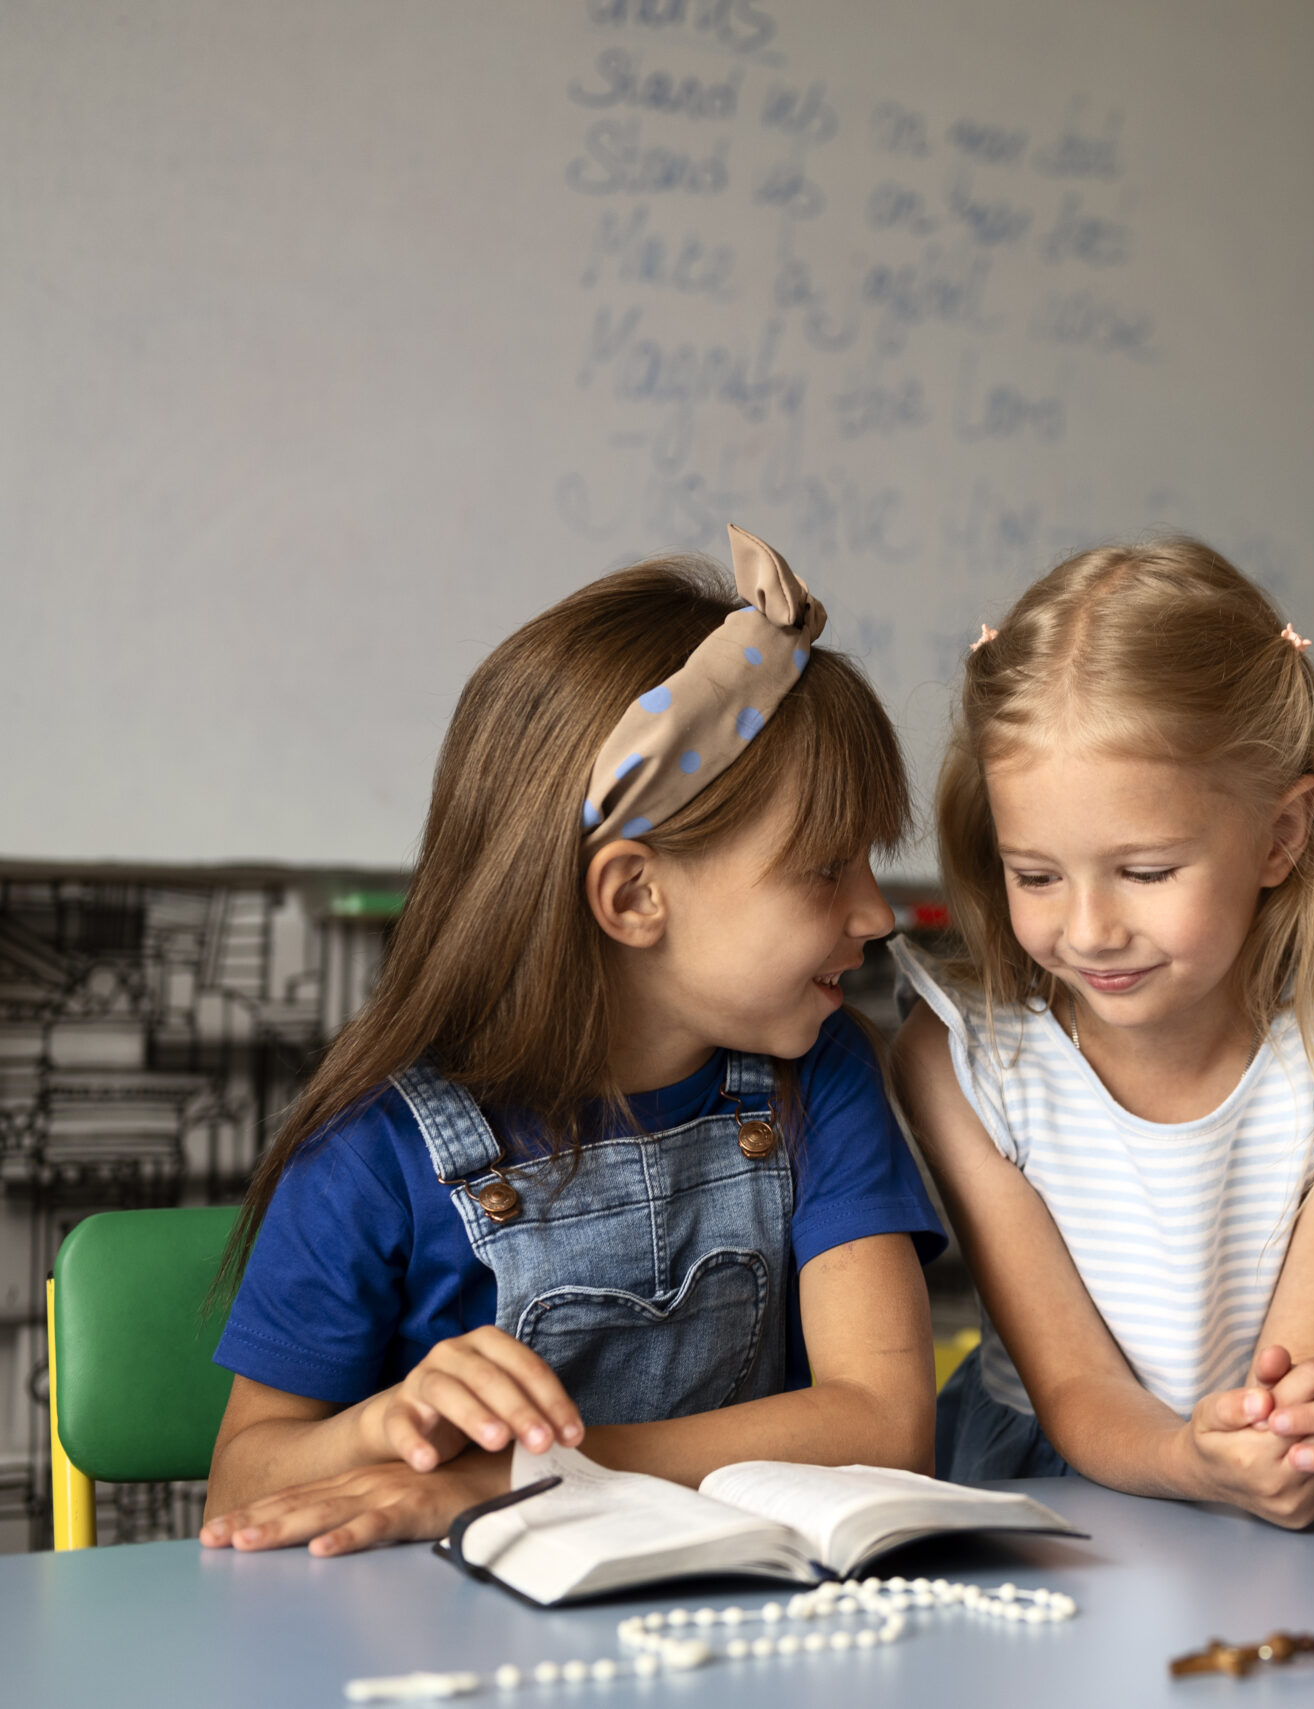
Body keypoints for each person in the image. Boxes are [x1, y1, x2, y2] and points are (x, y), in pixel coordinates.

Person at [199, 527, 946, 1557]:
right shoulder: (369, 1151)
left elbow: (884, 1423)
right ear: (634, 894)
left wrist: (515, 1476)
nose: (877, 912)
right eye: (826, 868)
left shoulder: (819, 1074)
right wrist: (377, 1431)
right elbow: (238, 1483)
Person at [890, 540, 1314, 1529]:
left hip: (1237, 1494)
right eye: (1037, 875)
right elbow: (1074, 1389)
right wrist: (1193, 1456)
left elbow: (1304, 1360)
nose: (1089, 929)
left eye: (1144, 872)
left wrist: (1301, 1422)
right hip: (1037, 1490)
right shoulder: (966, 1062)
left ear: (1280, 836)